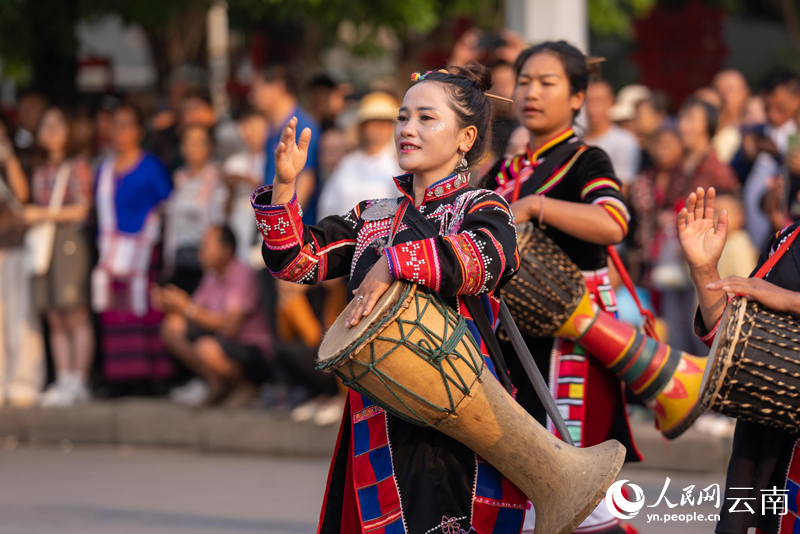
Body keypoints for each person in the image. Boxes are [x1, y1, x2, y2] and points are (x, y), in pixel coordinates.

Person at [253, 62, 527, 533]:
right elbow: (298, 262)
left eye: (426, 118)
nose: (408, 129)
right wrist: (285, 186)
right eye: (403, 117)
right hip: (379, 413)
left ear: (465, 138)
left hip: (460, 413)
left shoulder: (482, 206)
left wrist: (394, 263)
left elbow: (489, 256)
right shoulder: (374, 216)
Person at [486, 41, 639, 534]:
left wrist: (536, 207)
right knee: (532, 496)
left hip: (571, 349)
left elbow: (614, 222)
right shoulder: (505, 171)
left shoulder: (584, 160)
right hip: (512, 349)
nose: (531, 92)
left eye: (547, 83)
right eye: (525, 81)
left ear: (577, 98)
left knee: (582, 500)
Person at [677, 186, 800, 534]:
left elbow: (781, 300)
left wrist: (791, 301)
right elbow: (741, 345)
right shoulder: (788, 241)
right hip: (772, 447)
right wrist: (704, 271)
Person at [92, 104, 174, 389]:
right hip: (112, 254)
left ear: (139, 131)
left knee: (145, 312)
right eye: (116, 124)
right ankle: (120, 378)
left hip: (143, 254)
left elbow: (166, 205)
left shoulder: (150, 165)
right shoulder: (102, 169)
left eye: (127, 125)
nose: (121, 131)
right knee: (116, 315)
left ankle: (152, 378)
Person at [154, 226, 273, 408]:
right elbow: (196, 311)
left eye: (207, 246)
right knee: (173, 327)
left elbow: (230, 326)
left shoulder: (243, 274)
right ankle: (216, 384)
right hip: (222, 341)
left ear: (227, 250)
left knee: (206, 348)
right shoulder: (211, 276)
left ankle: (246, 386)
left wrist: (186, 307)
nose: (201, 252)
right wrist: (171, 303)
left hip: (251, 348)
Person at [24, 108, 95, 406]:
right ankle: (64, 377)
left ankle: (79, 380)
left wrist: (44, 214)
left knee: (74, 311)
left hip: (69, 239)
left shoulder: (77, 165)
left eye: (57, 125)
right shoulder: (40, 169)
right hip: (45, 242)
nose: (51, 131)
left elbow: (82, 208)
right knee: (54, 313)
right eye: (46, 125)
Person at [0, 116, 44, 407]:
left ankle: (24, 383)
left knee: (20, 317)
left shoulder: (20, 160)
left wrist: (8, 157)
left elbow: (23, 195)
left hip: (14, 248)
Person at [250, 64, 320, 225]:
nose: (252, 97)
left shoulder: (301, 127)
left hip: (293, 232)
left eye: (258, 89)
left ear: (278, 87)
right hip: (273, 225)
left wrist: (282, 225)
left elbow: (306, 181)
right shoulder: (272, 129)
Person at [316, 92, 401, 220]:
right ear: (362, 126)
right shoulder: (347, 163)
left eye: (385, 123)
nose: (380, 128)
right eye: (374, 122)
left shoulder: (399, 163)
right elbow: (327, 207)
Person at [164, 125, 226, 294]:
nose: (192, 148)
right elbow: (172, 224)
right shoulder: (179, 178)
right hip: (179, 258)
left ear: (209, 147)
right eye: (188, 142)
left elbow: (217, 219)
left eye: (199, 143)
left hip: (204, 260)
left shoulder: (216, 177)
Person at [222, 107, 269, 263]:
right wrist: (231, 188)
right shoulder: (234, 163)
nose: (249, 132)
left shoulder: (274, 160)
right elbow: (224, 211)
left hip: (265, 237)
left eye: (254, 126)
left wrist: (247, 181)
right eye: (244, 126)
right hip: (238, 236)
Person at [583, 79, 641, 187]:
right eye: (588, 101)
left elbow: (622, 188)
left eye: (598, 100)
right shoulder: (577, 139)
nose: (592, 107)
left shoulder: (625, 142)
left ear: (611, 102)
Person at [713, 69, 750, 164]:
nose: (724, 95)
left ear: (745, 93)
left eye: (730, 89)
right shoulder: (704, 131)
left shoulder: (754, 130)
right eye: (718, 90)